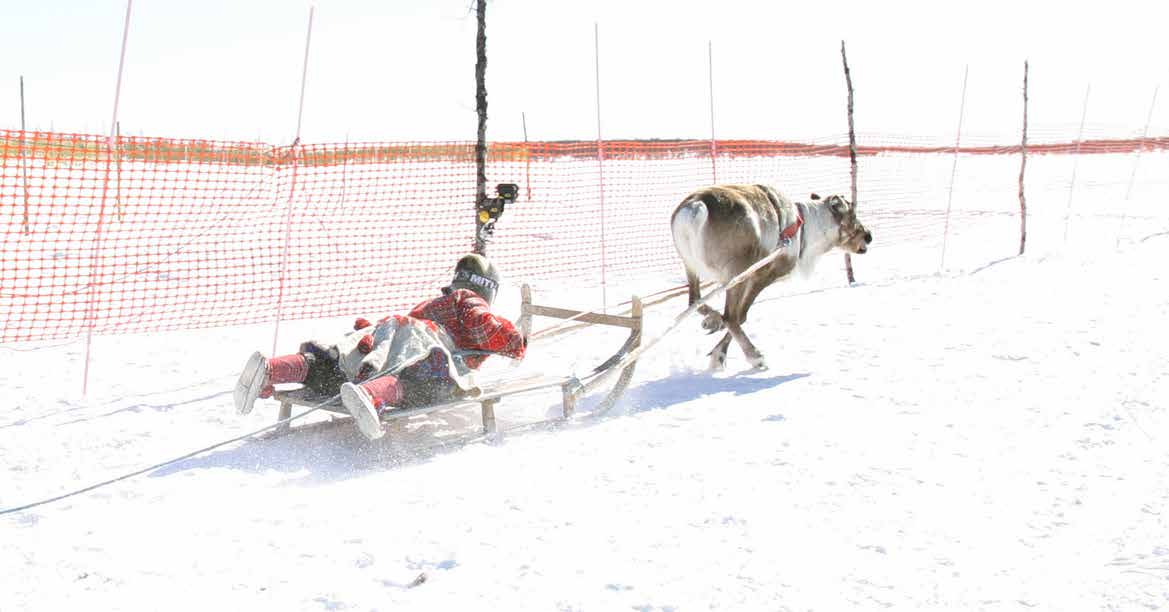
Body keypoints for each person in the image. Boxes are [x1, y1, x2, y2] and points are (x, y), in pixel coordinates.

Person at [233, 253, 527, 440]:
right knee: (428, 382)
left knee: (339, 364)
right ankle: (371, 396)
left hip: (389, 330)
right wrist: (515, 341)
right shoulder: (468, 298)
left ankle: (272, 370)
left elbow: (403, 332)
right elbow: (482, 325)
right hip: (426, 341)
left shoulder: (433, 302)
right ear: (488, 288)